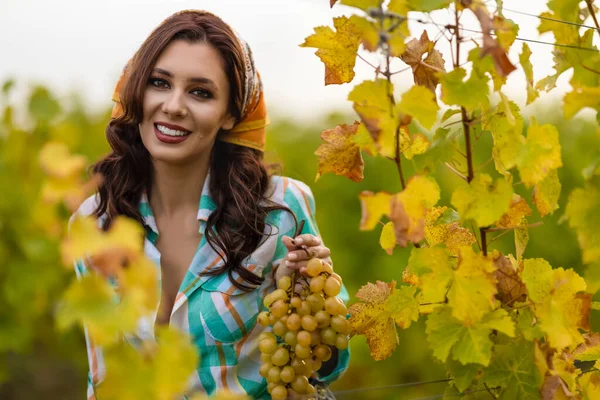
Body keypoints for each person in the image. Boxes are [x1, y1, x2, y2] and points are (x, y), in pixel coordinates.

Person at [71, 9, 350, 399]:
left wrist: (305, 294)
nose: (173, 105)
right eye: (159, 83)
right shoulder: (94, 222)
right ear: (138, 90)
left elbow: (328, 365)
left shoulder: (281, 208)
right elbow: (103, 377)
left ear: (231, 114)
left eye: (200, 92)